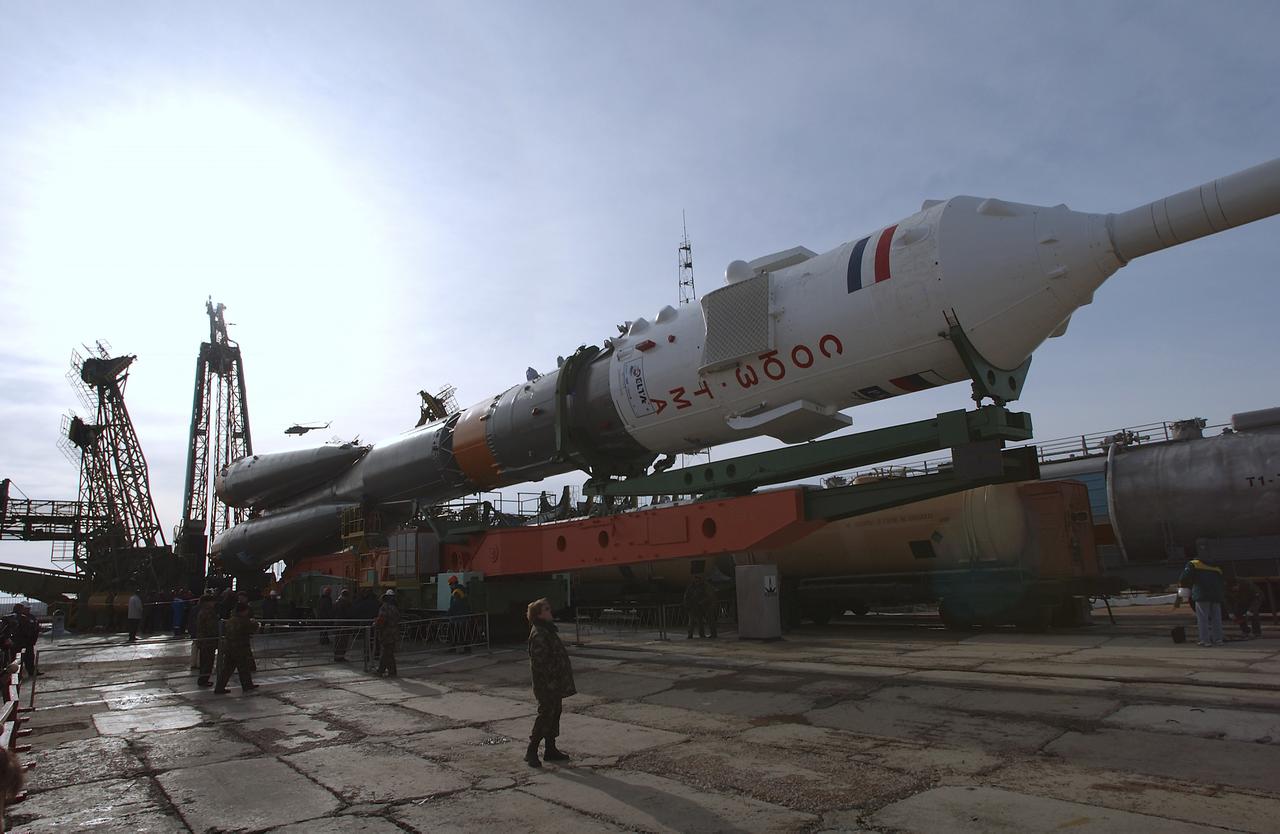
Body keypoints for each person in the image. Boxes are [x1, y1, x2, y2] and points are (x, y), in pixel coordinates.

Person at [525, 597, 575, 768]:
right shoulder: (539, 633)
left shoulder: (547, 630)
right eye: (546, 609)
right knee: (545, 715)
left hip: (554, 683)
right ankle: (531, 751)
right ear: (539, 614)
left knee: (554, 714)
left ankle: (550, 749)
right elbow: (541, 663)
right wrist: (553, 678)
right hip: (547, 684)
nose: (550, 611)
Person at [1180, 557, 1226, 647]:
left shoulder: (1193, 564)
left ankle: (1205, 640)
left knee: (1203, 618)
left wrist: (1186, 585)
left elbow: (1183, 577)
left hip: (1202, 594)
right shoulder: (1216, 567)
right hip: (1216, 595)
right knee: (1216, 618)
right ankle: (1218, 639)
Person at [214, 602, 259, 694]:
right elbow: (252, 629)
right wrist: (255, 623)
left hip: (229, 646)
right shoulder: (243, 620)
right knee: (244, 667)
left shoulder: (231, 620)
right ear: (244, 611)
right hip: (240, 646)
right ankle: (247, 685)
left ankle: (219, 687)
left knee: (227, 668)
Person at [194, 591, 219, 687]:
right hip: (208, 640)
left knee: (205, 660)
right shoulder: (208, 612)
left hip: (203, 639)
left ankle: (203, 679)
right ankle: (204, 680)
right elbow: (211, 626)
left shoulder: (202, 611)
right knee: (208, 661)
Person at [375, 590, 400, 677]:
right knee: (389, 653)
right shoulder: (395, 608)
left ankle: (380, 671)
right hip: (394, 634)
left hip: (386, 634)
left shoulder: (384, 607)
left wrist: (375, 625)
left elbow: (382, 619)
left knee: (385, 654)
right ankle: (392, 672)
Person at [447, 576, 472, 654]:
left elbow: (455, 604)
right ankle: (466, 648)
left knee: (455, 633)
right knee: (464, 633)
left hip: (458, 617)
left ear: (453, 583)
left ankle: (454, 648)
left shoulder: (457, 592)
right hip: (462, 616)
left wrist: (449, 613)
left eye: (450, 584)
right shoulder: (461, 590)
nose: (450, 586)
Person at [332, 588, 354, 662]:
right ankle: (340, 656)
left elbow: (333, 612)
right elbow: (349, 614)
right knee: (343, 641)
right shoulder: (346, 603)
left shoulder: (336, 602)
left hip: (337, 623)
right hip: (344, 624)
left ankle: (337, 655)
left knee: (337, 640)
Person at [684, 574, 709, 639]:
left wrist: (702, 602)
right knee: (691, 622)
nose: (697, 580)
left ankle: (702, 634)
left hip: (699, 607)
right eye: (696, 579)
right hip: (692, 606)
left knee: (700, 622)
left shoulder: (702, 587)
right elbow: (686, 596)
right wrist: (687, 605)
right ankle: (690, 634)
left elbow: (706, 596)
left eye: (698, 579)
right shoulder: (691, 587)